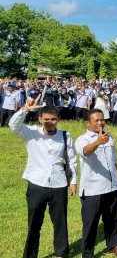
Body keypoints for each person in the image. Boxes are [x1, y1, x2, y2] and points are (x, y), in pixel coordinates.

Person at [10, 97, 77, 258]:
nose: (50, 122)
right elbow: (13, 126)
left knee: (60, 222)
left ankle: (61, 254)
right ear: (40, 119)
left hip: (59, 184)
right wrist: (25, 110)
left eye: (53, 119)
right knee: (34, 223)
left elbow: (72, 159)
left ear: (58, 120)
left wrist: (73, 181)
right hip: (36, 183)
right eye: (46, 119)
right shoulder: (31, 132)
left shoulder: (65, 135)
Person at [75, 109, 117, 257]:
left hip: (112, 186)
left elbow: (113, 160)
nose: (100, 122)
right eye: (96, 120)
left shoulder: (109, 138)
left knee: (113, 219)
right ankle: (88, 252)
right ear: (87, 123)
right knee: (90, 223)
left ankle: (114, 244)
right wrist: (98, 141)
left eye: (102, 120)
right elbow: (86, 151)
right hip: (93, 189)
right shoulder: (82, 139)